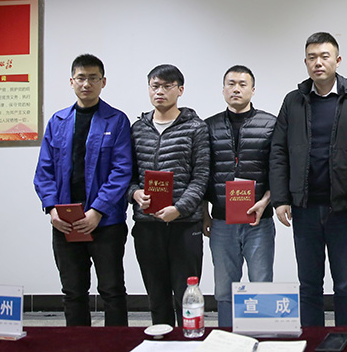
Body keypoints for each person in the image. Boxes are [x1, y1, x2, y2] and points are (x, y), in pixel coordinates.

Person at [270, 32, 347, 327]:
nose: (318, 62)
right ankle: (313, 340)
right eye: (312, 57)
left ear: (337, 61)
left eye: (324, 56)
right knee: (308, 284)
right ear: (305, 62)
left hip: (343, 208)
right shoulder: (293, 101)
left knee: (345, 283)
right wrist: (280, 199)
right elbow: (278, 151)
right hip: (304, 208)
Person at [33, 54, 132, 326]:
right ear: (71, 81)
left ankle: (116, 344)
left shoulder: (116, 120)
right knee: (73, 292)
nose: (86, 84)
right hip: (65, 222)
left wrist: (97, 211)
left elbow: (122, 171)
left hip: (106, 223)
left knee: (112, 290)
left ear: (103, 82)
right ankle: (78, 343)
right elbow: (44, 171)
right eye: (81, 78)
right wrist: (52, 209)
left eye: (93, 78)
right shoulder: (58, 121)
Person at [127, 64, 209, 326]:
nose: (159, 92)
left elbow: (201, 176)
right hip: (147, 224)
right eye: (155, 86)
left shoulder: (196, 128)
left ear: (180, 90)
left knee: (186, 295)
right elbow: (127, 175)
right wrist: (135, 193)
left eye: (167, 86)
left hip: (184, 224)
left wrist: (179, 209)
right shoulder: (137, 129)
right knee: (157, 295)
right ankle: (161, 339)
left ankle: (189, 339)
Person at [203, 65, 277, 328]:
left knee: (261, 284)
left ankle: (262, 335)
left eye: (242, 84)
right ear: (223, 89)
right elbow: (203, 173)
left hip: (259, 221)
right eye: (231, 84)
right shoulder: (208, 126)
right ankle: (226, 336)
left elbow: (278, 170)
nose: (236, 89)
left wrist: (265, 201)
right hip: (221, 221)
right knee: (224, 288)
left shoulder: (270, 124)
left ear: (252, 90)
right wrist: (204, 213)